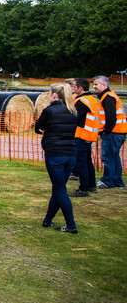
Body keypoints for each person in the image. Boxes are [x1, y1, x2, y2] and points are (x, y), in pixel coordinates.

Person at [35, 83, 79, 233]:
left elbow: (37, 127)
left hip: (55, 153)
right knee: (58, 187)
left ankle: (71, 224)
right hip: (70, 153)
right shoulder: (73, 111)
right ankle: (48, 219)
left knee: (60, 189)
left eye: (49, 93)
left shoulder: (50, 111)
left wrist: (47, 130)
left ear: (54, 95)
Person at [94, 76, 126, 189]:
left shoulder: (107, 97)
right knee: (114, 157)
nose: (94, 87)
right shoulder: (110, 96)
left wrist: (106, 131)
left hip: (113, 133)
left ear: (104, 85)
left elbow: (111, 117)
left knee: (108, 157)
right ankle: (117, 182)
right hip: (118, 132)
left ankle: (108, 181)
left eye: (96, 84)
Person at [71, 78, 100, 197]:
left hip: (82, 135)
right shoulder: (91, 99)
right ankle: (91, 185)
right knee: (88, 162)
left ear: (80, 88)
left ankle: (83, 189)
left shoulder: (81, 101)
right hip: (89, 135)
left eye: (74, 86)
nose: (72, 88)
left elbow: (75, 118)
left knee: (81, 162)